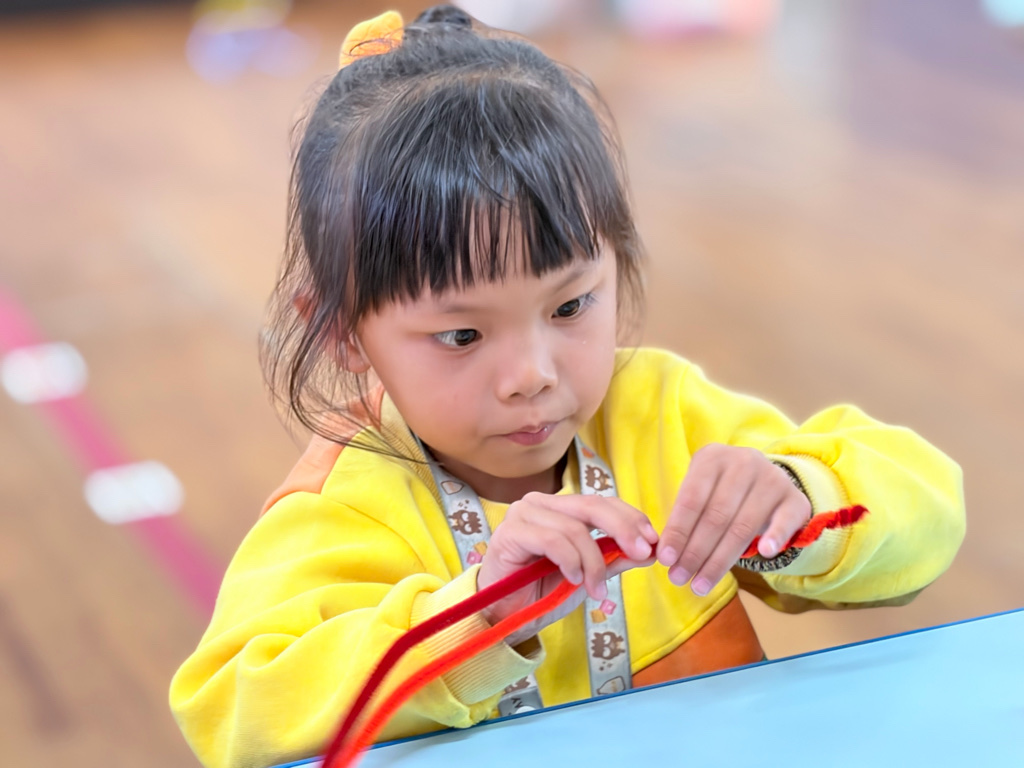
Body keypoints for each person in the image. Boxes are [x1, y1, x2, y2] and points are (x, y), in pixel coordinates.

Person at [168, 7, 966, 768]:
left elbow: (928, 511)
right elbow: (233, 715)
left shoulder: (660, 413)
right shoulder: (344, 505)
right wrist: (476, 613)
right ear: (343, 332)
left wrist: (799, 498)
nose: (533, 375)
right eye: (462, 336)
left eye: (571, 306)